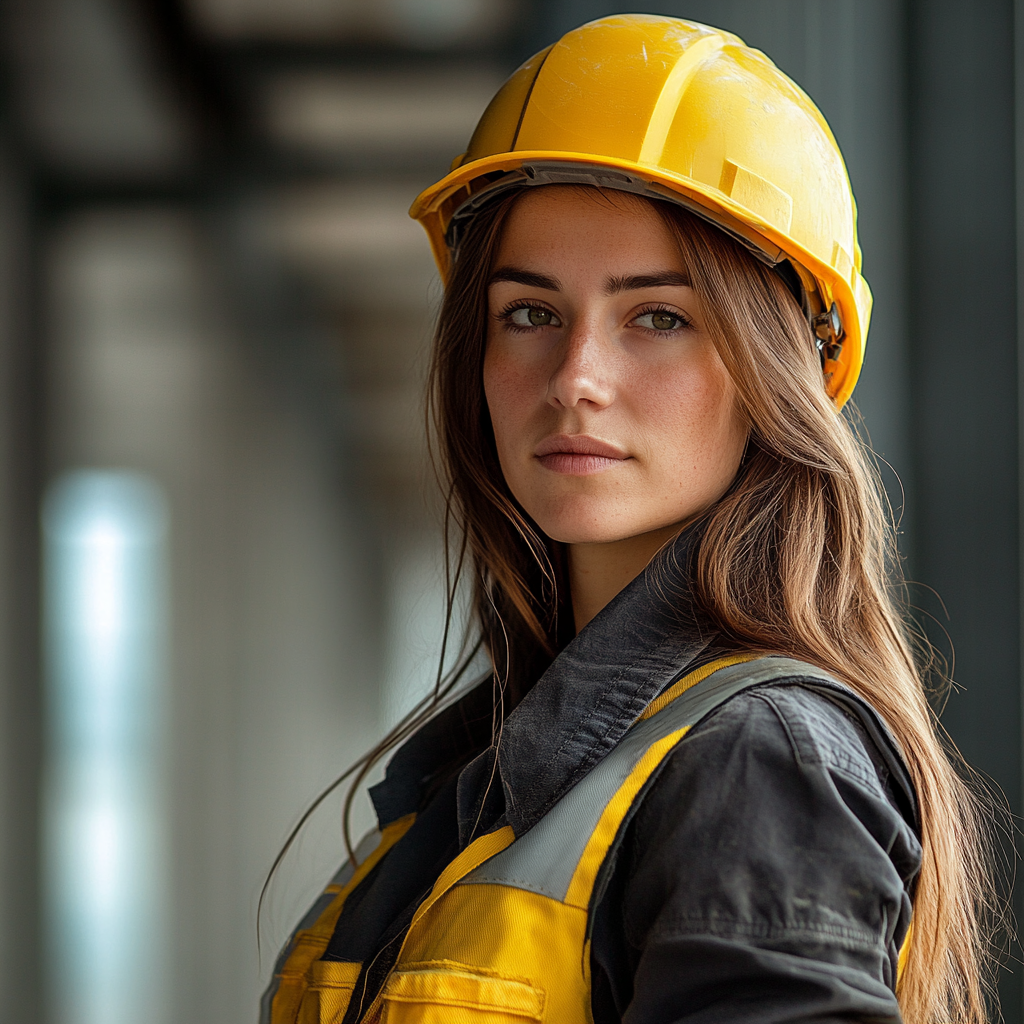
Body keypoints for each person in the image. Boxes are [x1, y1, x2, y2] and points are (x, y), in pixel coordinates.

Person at [261, 15, 995, 1024]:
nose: (576, 379)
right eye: (530, 313)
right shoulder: (482, 783)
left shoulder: (755, 759)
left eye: (658, 316)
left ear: (773, 375)